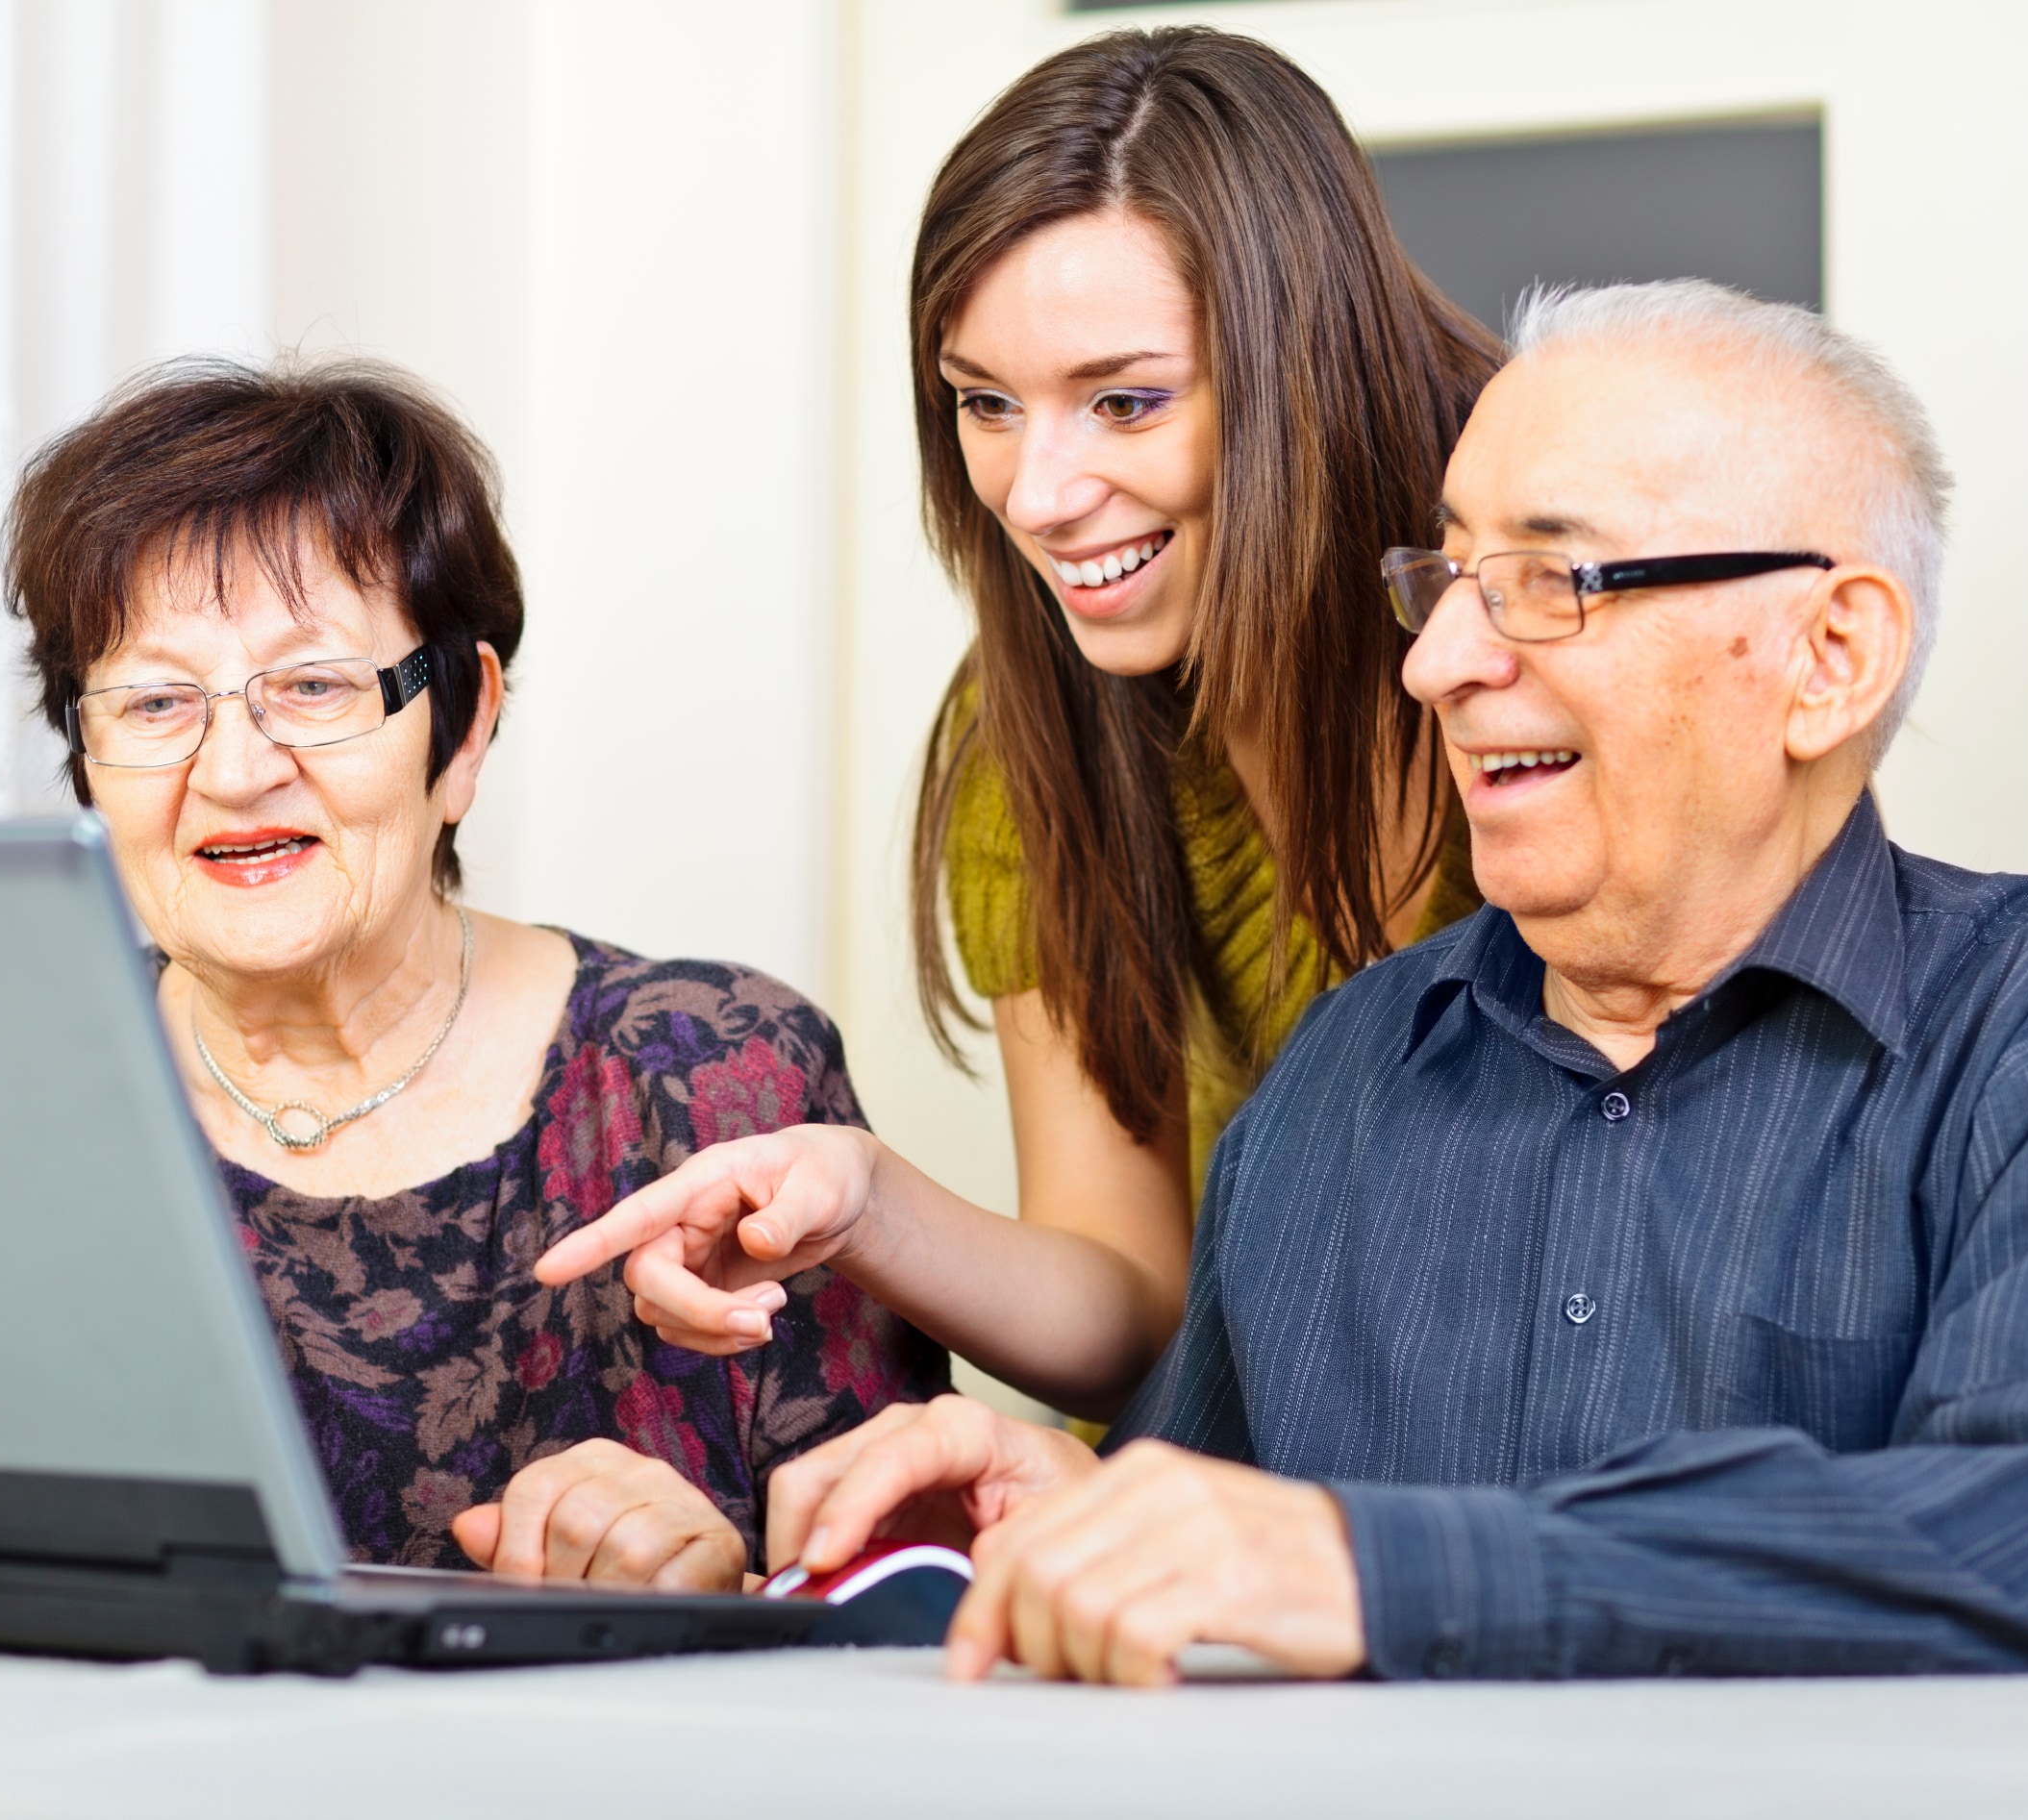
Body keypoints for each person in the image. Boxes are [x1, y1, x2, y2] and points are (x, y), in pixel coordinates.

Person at [579, 280, 2028, 1682]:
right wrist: (1071, 1514)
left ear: (1829, 654)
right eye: (1449, 577)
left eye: (1552, 580)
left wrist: (1367, 1563)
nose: (1436, 660)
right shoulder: (1344, 1073)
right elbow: (1209, 1520)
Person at [538, 25, 1499, 1421]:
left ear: (1301, 366)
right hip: (1221, 1504)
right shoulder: (1033, 718)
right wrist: (864, 1206)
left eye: (1125, 401)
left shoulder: (1531, 635)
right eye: (985, 403)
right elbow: (1135, 1295)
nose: (1040, 494)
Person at [1, 360, 945, 1588]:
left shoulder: (715, 1081)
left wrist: (725, 1598)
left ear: (464, 725)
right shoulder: (9, 1097)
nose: (234, 770)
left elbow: (907, 1616)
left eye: (312, 686)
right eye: (156, 702)